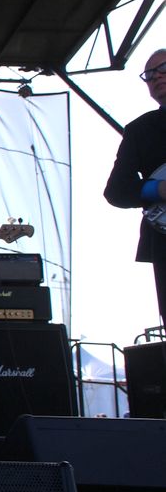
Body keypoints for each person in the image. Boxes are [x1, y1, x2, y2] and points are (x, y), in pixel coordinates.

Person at [104, 49, 166, 322]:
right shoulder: (140, 130)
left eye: (163, 68)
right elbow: (116, 191)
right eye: (149, 74)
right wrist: (158, 190)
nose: (156, 77)